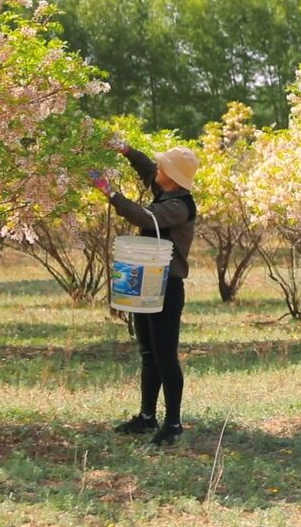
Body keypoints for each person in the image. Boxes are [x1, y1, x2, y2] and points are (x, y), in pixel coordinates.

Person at [91, 142, 200, 446]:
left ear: (174, 177)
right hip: (147, 280)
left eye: (163, 167)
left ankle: (174, 423)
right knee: (149, 353)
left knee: (165, 356)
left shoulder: (179, 206)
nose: (158, 169)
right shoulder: (166, 190)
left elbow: (141, 217)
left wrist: (109, 192)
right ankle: (147, 417)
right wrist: (125, 150)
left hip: (167, 286)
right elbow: (145, 168)